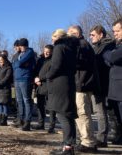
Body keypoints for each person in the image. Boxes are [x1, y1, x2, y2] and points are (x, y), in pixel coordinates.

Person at [68, 25, 98, 153]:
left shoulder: (82, 45)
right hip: (79, 83)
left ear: (77, 34)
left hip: (82, 84)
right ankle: (85, 139)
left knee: (82, 113)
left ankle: (89, 142)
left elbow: (79, 63)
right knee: (80, 113)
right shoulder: (80, 45)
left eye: (71, 34)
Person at [47, 29, 78, 155]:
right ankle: (68, 145)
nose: (52, 39)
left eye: (53, 36)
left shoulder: (59, 47)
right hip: (69, 82)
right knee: (68, 115)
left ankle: (67, 147)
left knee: (62, 115)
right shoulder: (71, 48)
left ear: (59, 37)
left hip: (60, 84)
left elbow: (56, 65)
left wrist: (48, 75)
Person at [89, 25, 115, 146]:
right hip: (100, 83)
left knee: (101, 111)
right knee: (105, 111)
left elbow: (106, 64)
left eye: (93, 35)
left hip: (104, 83)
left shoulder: (107, 46)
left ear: (101, 35)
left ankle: (101, 138)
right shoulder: (97, 47)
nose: (91, 37)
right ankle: (115, 135)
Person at [103, 18, 122, 144]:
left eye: (117, 31)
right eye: (114, 31)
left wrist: (108, 54)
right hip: (116, 88)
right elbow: (109, 60)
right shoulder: (117, 46)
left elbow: (112, 57)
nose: (114, 33)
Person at [12, 38, 35, 131]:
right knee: (19, 100)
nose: (20, 48)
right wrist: (18, 64)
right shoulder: (20, 54)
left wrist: (18, 64)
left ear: (25, 45)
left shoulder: (29, 52)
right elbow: (14, 65)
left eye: (21, 46)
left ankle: (27, 121)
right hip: (17, 79)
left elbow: (19, 63)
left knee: (26, 100)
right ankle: (20, 119)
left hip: (25, 79)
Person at [34, 45, 57, 133]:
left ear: (52, 52)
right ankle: (41, 124)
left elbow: (51, 73)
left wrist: (41, 78)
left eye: (48, 51)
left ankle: (52, 126)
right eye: (45, 51)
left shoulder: (54, 60)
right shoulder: (40, 60)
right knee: (40, 106)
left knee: (51, 107)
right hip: (40, 86)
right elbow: (36, 71)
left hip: (50, 85)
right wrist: (36, 79)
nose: (46, 53)